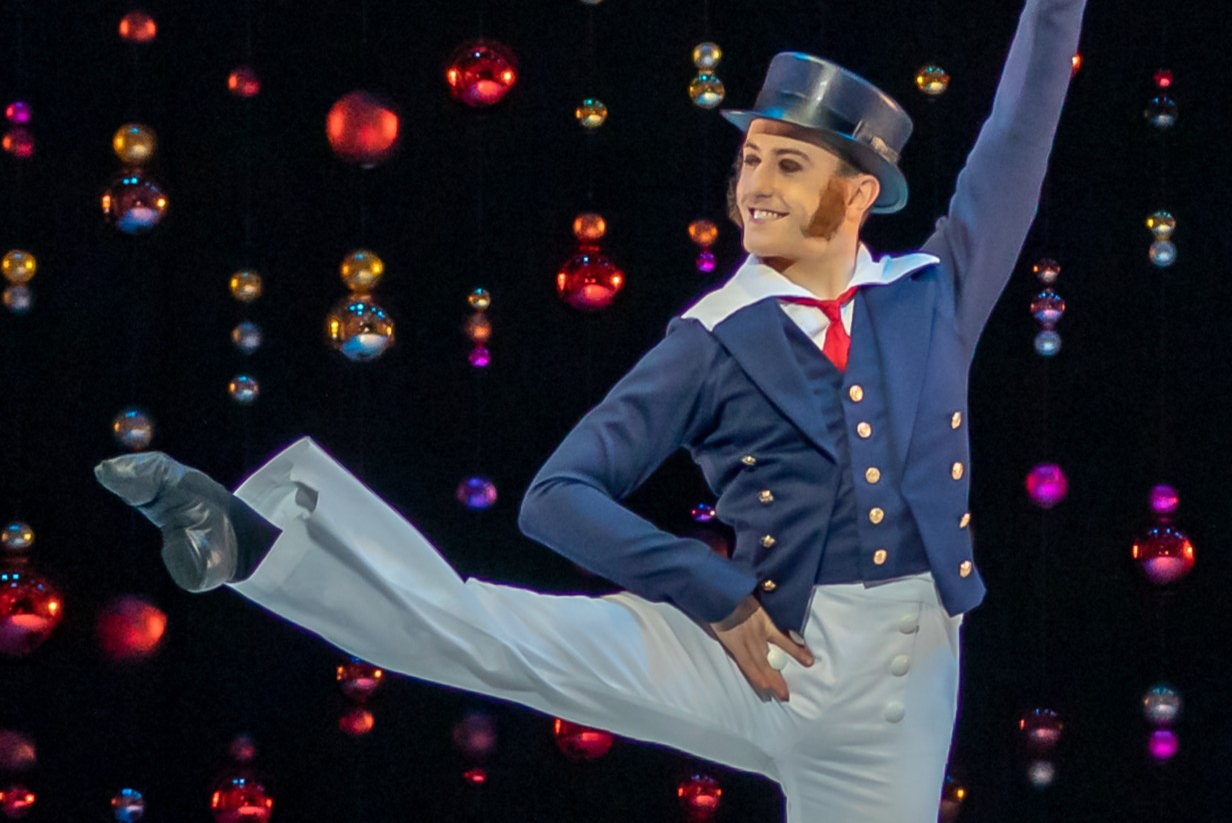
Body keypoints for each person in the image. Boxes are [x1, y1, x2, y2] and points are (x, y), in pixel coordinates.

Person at [94, 2, 1086, 820]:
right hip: (745, 648)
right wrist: (712, 590)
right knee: (490, 634)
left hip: (893, 696)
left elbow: (1018, 134)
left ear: (858, 191)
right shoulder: (710, 335)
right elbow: (556, 497)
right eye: (748, 160)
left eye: (786, 164)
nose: (754, 186)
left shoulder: (931, 291)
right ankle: (253, 543)